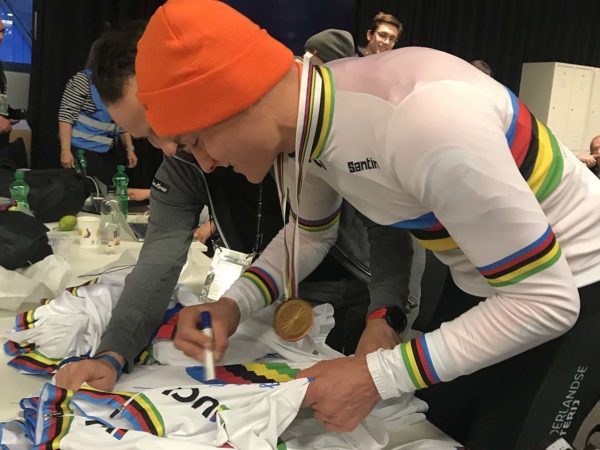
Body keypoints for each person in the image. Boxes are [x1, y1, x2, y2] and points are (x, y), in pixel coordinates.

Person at [124, 1, 600, 448]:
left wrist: (376, 376)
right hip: (488, 282)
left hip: (576, 284)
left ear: (239, 100)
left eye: (196, 141)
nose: (206, 163)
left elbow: (546, 301)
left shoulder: (424, 119)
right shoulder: (307, 116)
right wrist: (233, 305)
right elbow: (309, 235)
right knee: (443, 428)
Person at [55, 23, 419, 392]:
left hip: (350, 294)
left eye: (162, 122)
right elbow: (308, 236)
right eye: (146, 135)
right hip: (267, 295)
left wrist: (384, 316)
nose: (168, 146)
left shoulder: (322, 130)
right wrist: (114, 351)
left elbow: (382, 224)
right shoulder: (186, 164)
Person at [58, 68, 138, 184]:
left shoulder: (117, 83)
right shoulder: (83, 80)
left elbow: (121, 120)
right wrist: (65, 150)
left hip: (107, 152)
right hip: (82, 150)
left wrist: (129, 149)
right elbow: (66, 116)